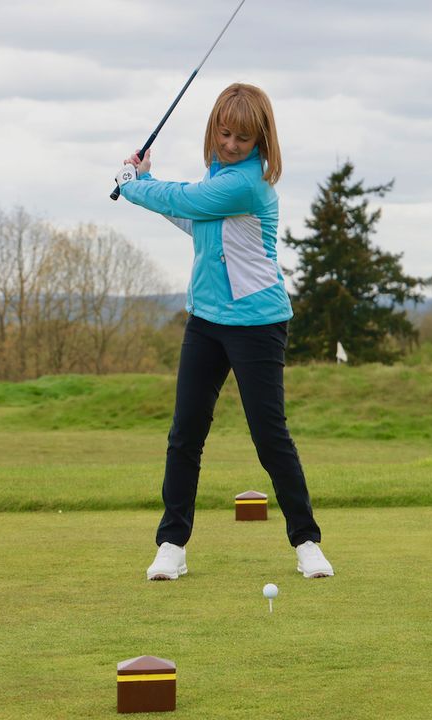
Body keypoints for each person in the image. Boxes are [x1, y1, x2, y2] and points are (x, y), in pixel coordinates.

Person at [114, 83, 334, 581]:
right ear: (213, 129)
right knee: (184, 434)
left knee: (269, 437)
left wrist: (131, 183)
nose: (232, 144)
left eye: (243, 137)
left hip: (257, 323)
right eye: (225, 132)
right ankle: (172, 544)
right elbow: (195, 220)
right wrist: (142, 186)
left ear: (262, 141)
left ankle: (307, 543)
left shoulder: (248, 183)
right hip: (207, 322)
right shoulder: (218, 180)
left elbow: (186, 199)